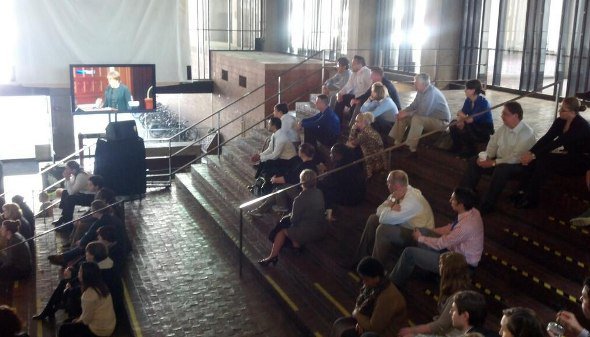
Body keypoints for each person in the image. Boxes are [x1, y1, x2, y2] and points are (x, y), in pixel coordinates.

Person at [388, 187, 484, 288]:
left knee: (409, 253)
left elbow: (440, 244)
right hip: (454, 251)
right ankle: (428, 269)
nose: (450, 200)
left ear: (461, 205)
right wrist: (430, 231)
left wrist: (420, 238)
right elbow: (451, 227)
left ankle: (392, 285)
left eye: (453, 199)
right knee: (423, 231)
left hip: (460, 265)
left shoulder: (465, 227)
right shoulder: (472, 211)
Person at [461, 101, 536, 214]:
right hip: (500, 161)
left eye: (505, 114)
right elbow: (493, 144)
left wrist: (493, 163)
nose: (501, 116)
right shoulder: (504, 128)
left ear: (515, 116)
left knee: (502, 169)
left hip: (518, 166)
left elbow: (516, 158)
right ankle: (465, 195)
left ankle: (487, 204)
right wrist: (486, 157)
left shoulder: (526, 133)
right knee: (474, 161)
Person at [515, 97, 590, 209]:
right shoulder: (560, 121)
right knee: (536, 159)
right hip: (570, 155)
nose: (559, 111)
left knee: (544, 160)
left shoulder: (581, 125)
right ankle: (522, 192)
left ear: (572, 112)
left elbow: (558, 142)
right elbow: (547, 138)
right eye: (560, 107)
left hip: (583, 160)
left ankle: (531, 199)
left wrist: (534, 155)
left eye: (563, 109)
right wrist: (530, 152)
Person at [353, 170, 434, 269]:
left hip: (419, 234)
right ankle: (360, 259)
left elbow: (383, 218)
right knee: (373, 219)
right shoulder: (397, 193)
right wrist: (391, 205)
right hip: (405, 225)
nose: (386, 184)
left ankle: (374, 272)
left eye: (388, 182)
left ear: (396, 185)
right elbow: (378, 210)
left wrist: (390, 204)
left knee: (383, 230)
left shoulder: (412, 201)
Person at [258, 169, 327, 265]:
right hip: (320, 228)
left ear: (301, 182)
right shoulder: (319, 193)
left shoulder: (299, 199)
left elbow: (294, 220)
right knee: (286, 223)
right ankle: (295, 247)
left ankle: (273, 256)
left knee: (282, 227)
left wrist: (287, 216)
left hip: (308, 231)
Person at [397, 252, 472, 337]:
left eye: (441, 264)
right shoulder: (451, 286)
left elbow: (441, 325)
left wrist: (413, 330)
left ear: (448, 270)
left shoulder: (458, 296)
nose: (439, 266)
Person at [330, 257, 406, 337]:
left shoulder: (388, 297)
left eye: (366, 280)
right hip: (369, 321)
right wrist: (360, 322)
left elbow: (374, 327)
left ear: (376, 278)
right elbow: (360, 304)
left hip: (387, 333)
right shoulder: (373, 285)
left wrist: (356, 314)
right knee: (340, 324)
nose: (364, 283)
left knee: (348, 334)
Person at [48, 200, 127, 267]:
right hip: (118, 243)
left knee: (86, 245)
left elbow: (89, 234)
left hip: (115, 247)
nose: (91, 212)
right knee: (86, 243)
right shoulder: (107, 216)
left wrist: (81, 241)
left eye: (92, 210)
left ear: (97, 211)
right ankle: (66, 258)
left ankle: (66, 259)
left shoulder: (100, 221)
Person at [249, 143, 317, 217]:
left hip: (303, 192)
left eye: (299, 150)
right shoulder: (308, 163)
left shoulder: (306, 166)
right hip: (299, 188)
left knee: (280, 188)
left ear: (302, 153)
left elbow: (292, 178)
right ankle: (264, 209)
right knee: (279, 188)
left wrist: (275, 179)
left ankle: (278, 207)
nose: (298, 151)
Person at [390, 73, 451, 153]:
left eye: (416, 82)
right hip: (429, 118)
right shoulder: (420, 91)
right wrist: (403, 112)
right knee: (402, 116)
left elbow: (423, 112)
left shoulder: (431, 93)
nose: (414, 84)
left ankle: (411, 148)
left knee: (417, 119)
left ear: (423, 84)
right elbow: (413, 105)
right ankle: (396, 142)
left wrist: (407, 113)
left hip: (441, 122)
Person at [58, 262, 116, 337]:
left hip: (99, 331)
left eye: (80, 271)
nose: (78, 273)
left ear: (85, 276)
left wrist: (77, 320)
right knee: (68, 322)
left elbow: (86, 320)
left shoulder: (88, 295)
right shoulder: (102, 286)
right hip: (110, 325)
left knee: (63, 329)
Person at [319, 143, 366, 220]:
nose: (330, 155)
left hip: (353, 197)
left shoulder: (342, 167)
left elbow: (330, 182)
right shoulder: (350, 162)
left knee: (325, 191)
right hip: (358, 194)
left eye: (332, 153)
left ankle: (328, 216)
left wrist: (322, 177)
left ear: (338, 155)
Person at [449, 79, 494, 157]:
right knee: (453, 123)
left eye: (466, 89)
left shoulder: (483, 103)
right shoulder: (468, 100)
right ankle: (457, 146)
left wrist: (461, 116)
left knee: (466, 126)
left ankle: (471, 150)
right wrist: (460, 119)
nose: (465, 90)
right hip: (473, 123)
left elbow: (469, 119)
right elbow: (462, 114)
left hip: (483, 128)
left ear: (473, 91)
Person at [53, 161, 92, 229]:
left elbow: (71, 193)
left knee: (70, 198)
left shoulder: (81, 175)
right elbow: (68, 188)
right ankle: (64, 217)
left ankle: (68, 223)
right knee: (65, 192)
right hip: (84, 194)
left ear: (73, 169)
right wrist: (67, 178)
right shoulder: (75, 175)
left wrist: (67, 178)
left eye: (67, 168)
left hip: (91, 197)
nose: (65, 170)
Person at [347, 112, 386, 179]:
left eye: (357, 121)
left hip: (374, 160)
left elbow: (350, 143)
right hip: (379, 158)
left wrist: (353, 129)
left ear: (363, 122)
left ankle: (366, 176)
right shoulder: (369, 129)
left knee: (349, 152)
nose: (355, 123)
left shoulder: (364, 134)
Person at [335, 55, 373, 124]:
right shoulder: (354, 74)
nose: (351, 66)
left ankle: (352, 129)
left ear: (360, 64)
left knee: (354, 108)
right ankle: (337, 123)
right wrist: (339, 94)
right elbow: (348, 86)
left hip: (364, 100)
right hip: (356, 97)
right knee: (340, 99)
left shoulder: (367, 73)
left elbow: (371, 90)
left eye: (353, 64)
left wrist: (360, 100)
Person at [0, 220, 32, 296]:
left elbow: (9, 262)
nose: (0, 230)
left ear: (8, 231)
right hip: (19, 265)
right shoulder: (14, 236)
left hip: (22, 270)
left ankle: (5, 293)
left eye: (2, 228)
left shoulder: (14, 241)